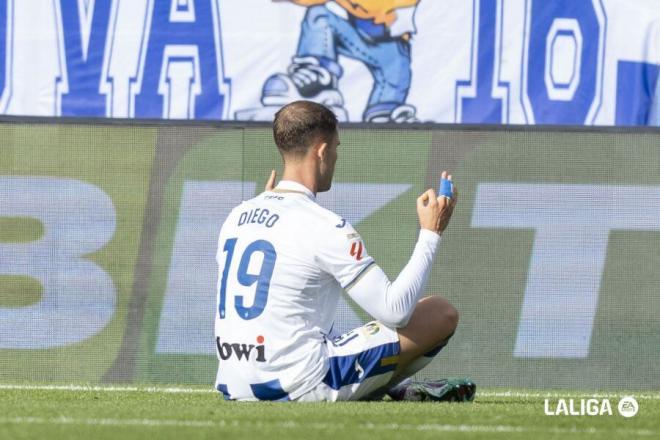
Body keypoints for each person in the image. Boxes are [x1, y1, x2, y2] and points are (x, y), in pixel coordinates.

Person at [214, 100, 474, 401]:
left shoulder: (238, 215)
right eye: (336, 147)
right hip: (300, 384)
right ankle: (387, 387)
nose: (336, 156)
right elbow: (395, 310)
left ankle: (388, 387)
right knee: (439, 313)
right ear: (322, 151)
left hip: (235, 384)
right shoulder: (323, 225)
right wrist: (431, 232)